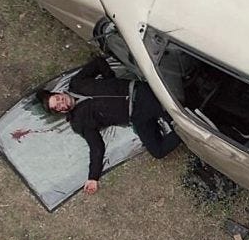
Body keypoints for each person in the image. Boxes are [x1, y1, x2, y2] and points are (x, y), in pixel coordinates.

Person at [38, 56, 181, 195]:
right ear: (59, 112)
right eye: (57, 108)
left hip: (139, 92)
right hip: (136, 116)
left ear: (58, 93)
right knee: (158, 151)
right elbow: (96, 147)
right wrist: (93, 177)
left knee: (174, 113)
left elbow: (98, 62)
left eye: (58, 99)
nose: (62, 104)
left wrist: (110, 80)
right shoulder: (78, 122)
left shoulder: (77, 82)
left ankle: (180, 122)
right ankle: (183, 132)